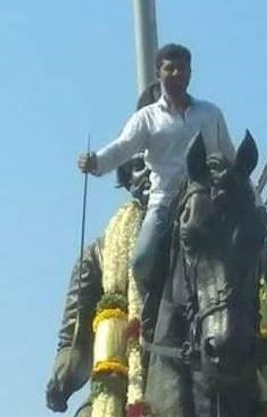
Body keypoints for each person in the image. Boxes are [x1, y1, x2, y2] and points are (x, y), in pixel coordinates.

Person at [78, 43, 235, 294]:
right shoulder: (147, 117)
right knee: (141, 262)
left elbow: (229, 156)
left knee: (248, 247)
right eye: (170, 69)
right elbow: (123, 147)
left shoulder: (210, 114)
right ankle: (149, 319)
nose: (176, 74)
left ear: (190, 72)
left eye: (182, 68)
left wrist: (252, 199)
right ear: (158, 74)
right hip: (165, 201)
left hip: (208, 199)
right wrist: (96, 161)